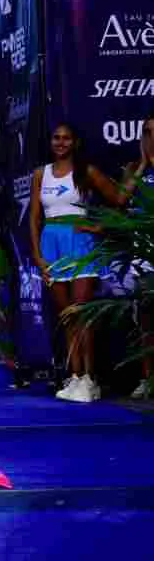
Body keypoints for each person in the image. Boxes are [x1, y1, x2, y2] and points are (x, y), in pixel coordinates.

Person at [29, 122, 139, 403]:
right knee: (67, 316)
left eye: (66, 138)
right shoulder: (41, 175)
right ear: (51, 141)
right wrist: (38, 256)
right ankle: (76, 376)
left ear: (75, 142)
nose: (61, 142)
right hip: (51, 246)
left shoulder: (85, 171)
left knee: (82, 313)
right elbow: (34, 219)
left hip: (80, 246)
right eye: (56, 137)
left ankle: (90, 379)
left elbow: (118, 199)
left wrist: (98, 227)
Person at [121, 114, 154, 399]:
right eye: (147, 132)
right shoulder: (134, 168)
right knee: (145, 320)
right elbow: (121, 200)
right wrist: (144, 163)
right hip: (143, 257)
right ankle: (147, 378)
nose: (151, 137)